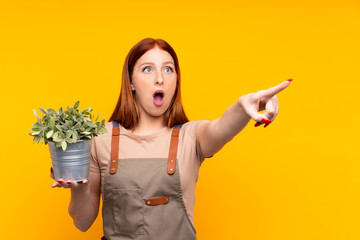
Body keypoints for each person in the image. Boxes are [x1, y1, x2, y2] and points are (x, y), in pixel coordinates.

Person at [50, 38, 292, 240]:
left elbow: (221, 127)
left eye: (168, 69)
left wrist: (242, 106)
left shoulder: (191, 137)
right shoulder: (99, 139)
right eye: (148, 69)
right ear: (131, 82)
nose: (160, 78)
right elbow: (82, 223)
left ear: (176, 80)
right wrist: (77, 189)